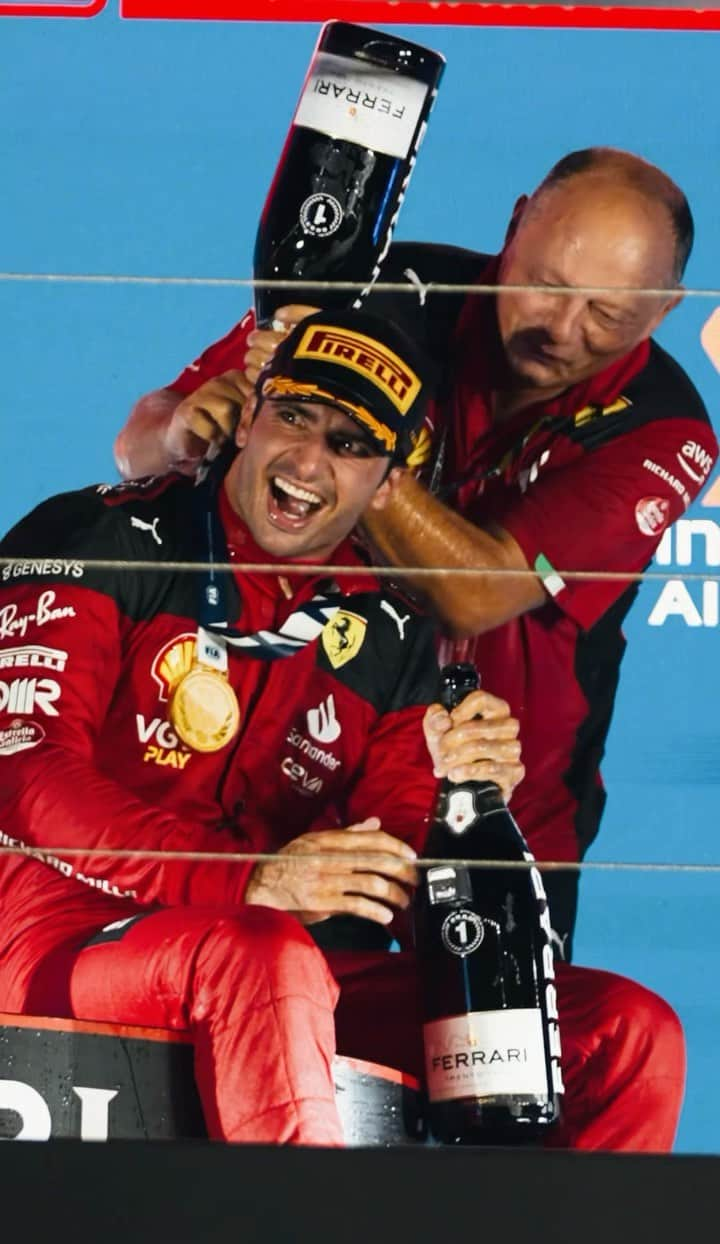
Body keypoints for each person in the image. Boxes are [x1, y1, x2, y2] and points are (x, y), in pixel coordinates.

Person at [0, 309, 684, 1151]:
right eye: (294, 417)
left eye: (353, 445)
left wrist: (463, 804)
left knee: (621, 1032)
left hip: (287, 970)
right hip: (56, 939)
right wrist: (247, 879)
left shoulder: (394, 630)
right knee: (265, 954)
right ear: (249, 416)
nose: (308, 463)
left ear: (388, 479)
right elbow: (26, 780)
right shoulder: (98, 535)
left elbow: (396, 870)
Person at [114, 147, 717, 957]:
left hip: (498, 807)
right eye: (545, 284)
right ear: (513, 226)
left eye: (607, 316)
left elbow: (473, 593)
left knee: (494, 1069)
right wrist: (193, 425)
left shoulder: (664, 429)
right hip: (296, 775)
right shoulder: (386, 291)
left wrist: (347, 449)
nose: (562, 331)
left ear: (667, 308)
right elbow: (139, 446)